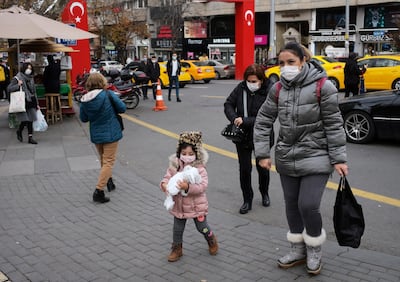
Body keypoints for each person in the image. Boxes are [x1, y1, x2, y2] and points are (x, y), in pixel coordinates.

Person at [253, 42, 348, 275]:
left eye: (291, 62)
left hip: (317, 155)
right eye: (281, 63)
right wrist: (263, 153)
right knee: (292, 206)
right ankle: (297, 249)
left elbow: (334, 125)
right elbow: (264, 120)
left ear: (303, 61)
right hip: (287, 156)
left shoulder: (323, 87)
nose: (286, 67)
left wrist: (338, 158)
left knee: (308, 204)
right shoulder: (277, 89)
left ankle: (314, 247)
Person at [160, 131, 218, 262]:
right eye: (184, 154)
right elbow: (167, 177)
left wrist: (188, 187)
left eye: (191, 154)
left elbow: (202, 186)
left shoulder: (200, 169)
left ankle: (211, 238)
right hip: (179, 206)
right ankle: (177, 249)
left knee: (202, 227)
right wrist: (164, 184)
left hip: (197, 205)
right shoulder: (174, 166)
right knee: (177, 229)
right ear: (179, 153)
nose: (187, 157)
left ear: (196, 154)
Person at [224, 64, 273, 214]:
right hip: (242, 136)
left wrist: (245, 120)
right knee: (244, 169)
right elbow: (228, 104)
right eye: (249, 81)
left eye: (254, 81)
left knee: (262, 168)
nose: (251, 84)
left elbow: (268, 116)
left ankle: (264, 193)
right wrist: (234, 118)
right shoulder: (241, 88)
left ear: (261, 80)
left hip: (262, 136)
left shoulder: (269, 91)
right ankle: (247, 199)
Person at [79, 73, 126, 203]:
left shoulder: (84, 99)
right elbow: (122, 108)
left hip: (96, 134)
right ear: (102, 82)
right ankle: (99, 191)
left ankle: (108, 181)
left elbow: (83, 118)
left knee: (103, 159)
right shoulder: (108, 94)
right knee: (108, 161)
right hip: (111, 133)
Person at [7, 62, 40, 144]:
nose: (29, 70)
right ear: (24, 68)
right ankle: (19, 131)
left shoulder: (31, 78)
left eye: (30, 68)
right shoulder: (18, 77)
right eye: (28, 68)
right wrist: (18, 85)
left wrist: (37, 104)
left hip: (31, 100)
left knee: (31, 119)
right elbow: (9, 88)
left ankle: (30, 137)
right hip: (22, 101)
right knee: (25, 120)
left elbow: (34, 91)